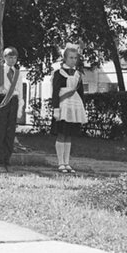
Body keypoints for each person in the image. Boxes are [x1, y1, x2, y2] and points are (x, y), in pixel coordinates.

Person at [50, 43, 88, 174]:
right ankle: (60, 162)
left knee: (69, 134)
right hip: (63, 106)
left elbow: (81, 93)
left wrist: (82, 109)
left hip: (74, 107)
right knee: (62, 133)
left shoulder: (78, 74)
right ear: (65, 58)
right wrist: (55, 108)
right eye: (71, 57)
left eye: (75, 58)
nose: (73, 60)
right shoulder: (58, 73)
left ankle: (67, 162)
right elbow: (55, 92)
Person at [0, 46, 24, 172]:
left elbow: (20, 91)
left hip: (13, 100)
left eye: (14, 57)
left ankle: (7, 160)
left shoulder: (18, 73)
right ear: (4, 57)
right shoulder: (0, 70)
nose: (12, 60)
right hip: (2, 100)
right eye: (9, 57)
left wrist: (20, 107)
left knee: (10, 132)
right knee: (1, 131)